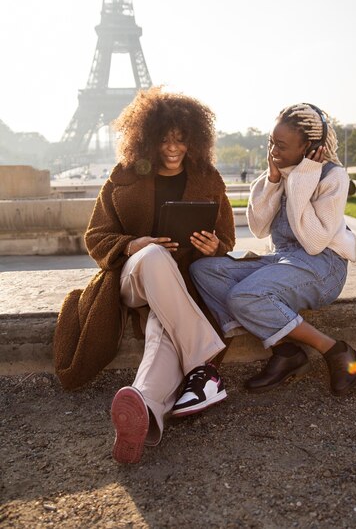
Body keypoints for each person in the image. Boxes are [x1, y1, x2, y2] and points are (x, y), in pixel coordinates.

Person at [54, 87, 235, 464]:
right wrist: (132, 244)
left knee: (164, 334)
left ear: (193, 140)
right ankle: (204, 363)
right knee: (153, 255)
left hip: (177, 284)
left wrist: (212, 246)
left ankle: (145, 410)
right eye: (164, 139)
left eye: (181, 140)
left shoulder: (208, 178)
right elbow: (95, 237)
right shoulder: (122, 177)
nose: (173, 148)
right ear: (147, 139)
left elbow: (227, 238)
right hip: (132, 277)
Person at [190, 103, 356, 397]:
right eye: (271, 142)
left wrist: (301, 179)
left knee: (244, 295)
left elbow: (315, 241)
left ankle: (334, 350)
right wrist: (272, 180)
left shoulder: (332, 177)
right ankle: (286, 352)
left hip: (324, 267)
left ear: (309, 146)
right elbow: (258, 227)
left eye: (281, 145)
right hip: (285, 262)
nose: (273, 151)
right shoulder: (279, 172)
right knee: (204, 270)